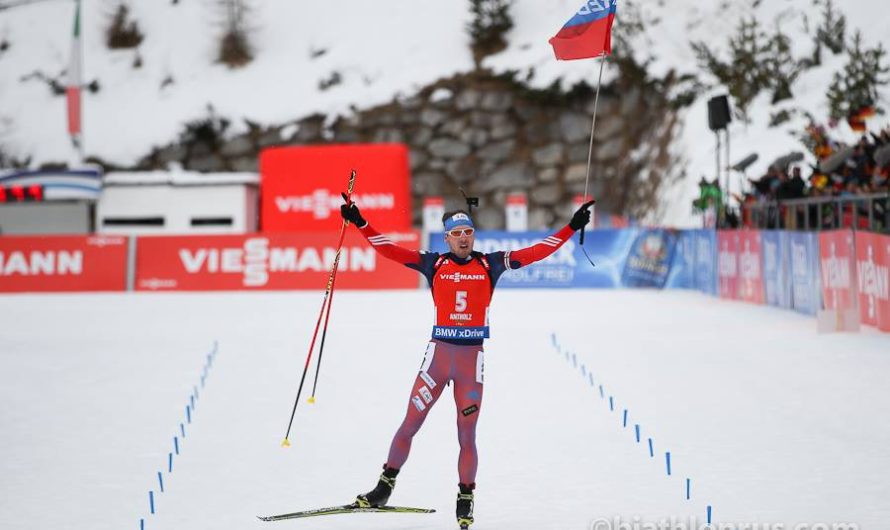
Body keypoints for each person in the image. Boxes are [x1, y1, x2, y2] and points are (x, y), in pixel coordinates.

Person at [339, 197, 595, 529]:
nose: (463, 238)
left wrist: (572, 227)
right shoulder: (433, 263)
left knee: (466, 435)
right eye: (457, 233)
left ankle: (465, 497)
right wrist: (360, 221)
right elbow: (389, 249)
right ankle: (384, 487)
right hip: (437, 359)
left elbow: (536, 252)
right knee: (409, 424)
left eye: (468, 232)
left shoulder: (491, 264)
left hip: (470, 364)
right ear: (446, 238)